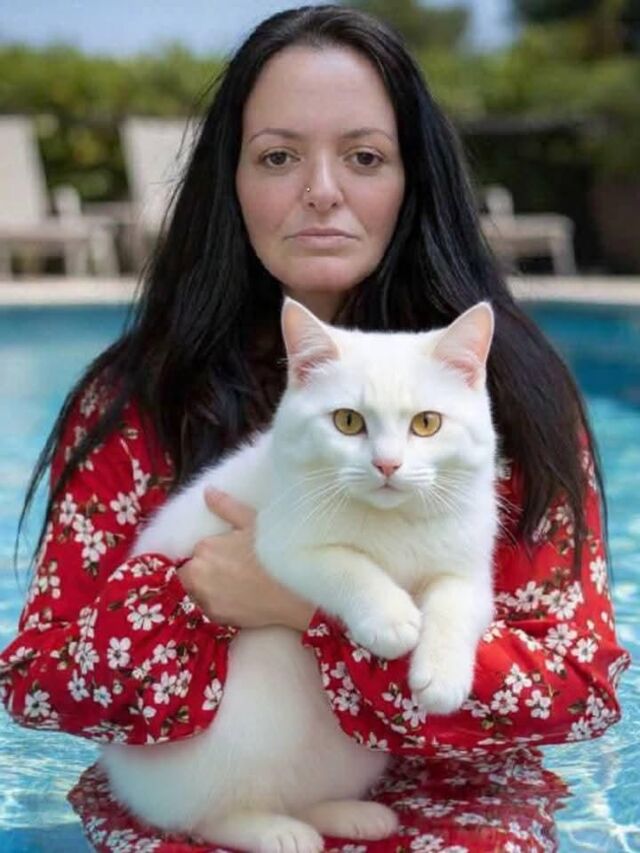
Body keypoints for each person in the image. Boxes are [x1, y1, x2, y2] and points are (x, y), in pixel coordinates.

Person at [0, 5, 629, 851]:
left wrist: (311, 613)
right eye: (278, 156)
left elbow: (579, 690)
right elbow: (40, 685)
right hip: (207, 797)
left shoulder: (511, 391)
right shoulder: (138, 399)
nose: (322, 190)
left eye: (364, 157)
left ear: (414, 178)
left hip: (462, 804)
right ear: (230, 180)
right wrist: (195, 597)